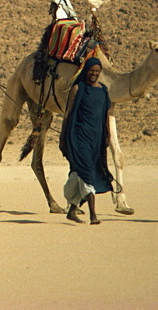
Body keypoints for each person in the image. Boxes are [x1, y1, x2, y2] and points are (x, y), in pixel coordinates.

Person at [59, 56, 115, 224]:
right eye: (91, 71)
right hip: (79, 138)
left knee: (82, 174)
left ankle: (71, 210)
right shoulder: (78, 88)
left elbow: (105, 114)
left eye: (97, 71)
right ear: (86, 71)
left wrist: (107, 135)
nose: (94, 74)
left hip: (96, 140)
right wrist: (63, 138)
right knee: (87, 174)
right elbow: (68, 114)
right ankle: (93, 215)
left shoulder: (103, 90)